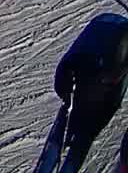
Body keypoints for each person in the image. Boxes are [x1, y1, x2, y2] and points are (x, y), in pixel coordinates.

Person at [34, 13, 128, 172]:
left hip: (98, 95)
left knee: (82, 139)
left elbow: (113, 101)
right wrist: (68, 98)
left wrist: (97, 122)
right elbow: (63, 74)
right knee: (62, 131)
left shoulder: (119, 73)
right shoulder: (81, 56)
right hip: (79, 83)